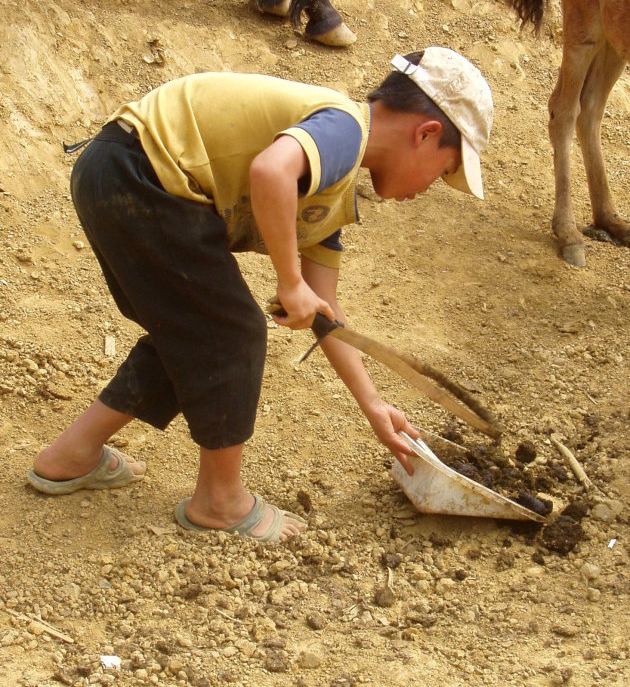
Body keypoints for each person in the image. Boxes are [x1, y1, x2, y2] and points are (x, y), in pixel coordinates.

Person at [27, 47, 493, 542]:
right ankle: (220, 502)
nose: (429, 188)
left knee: (189, 331)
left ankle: (72, 455)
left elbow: (327, 314)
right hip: (143, 172)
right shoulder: (345, 127)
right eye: (443, 172)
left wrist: (373, 404)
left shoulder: (330, 191)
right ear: (426, 133)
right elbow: (272, 171)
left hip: (118, 173)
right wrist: (289, 283)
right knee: (230, 332)